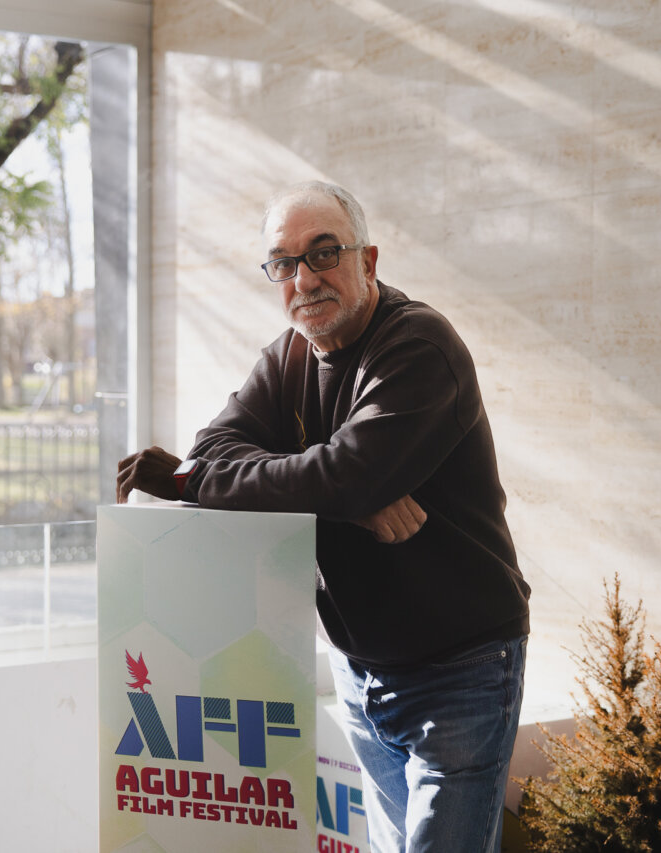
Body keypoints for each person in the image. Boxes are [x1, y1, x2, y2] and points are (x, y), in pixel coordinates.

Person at [116, 181, 531, 852]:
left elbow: (334, 475)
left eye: (324, 252)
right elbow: (221, 447)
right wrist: (348, 497)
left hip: (461, 668)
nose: (304, 278)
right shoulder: (288, 357)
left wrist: (333, 482)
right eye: (283, 261)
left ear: (368, 261)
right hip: (359, 665)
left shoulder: (418, 346)